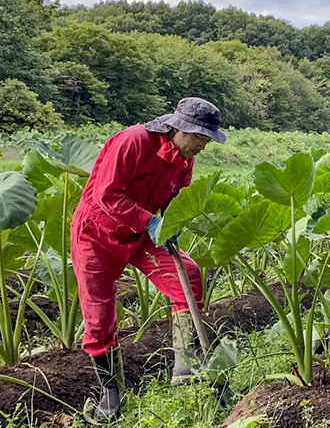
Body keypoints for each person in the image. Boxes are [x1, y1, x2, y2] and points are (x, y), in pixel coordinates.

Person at [70, 97, 227, 420]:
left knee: (190, 275)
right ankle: (111, 392)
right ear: (179, 127)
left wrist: (169, 222)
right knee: (99, 316)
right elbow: (106, 194)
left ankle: (187, 366)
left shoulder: (184, 157)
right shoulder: (133, 141)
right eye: (200, 137)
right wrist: (151, 222)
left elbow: (174, 197)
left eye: (206, 140)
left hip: (141, 235)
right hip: (97, 234)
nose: (202, 146)